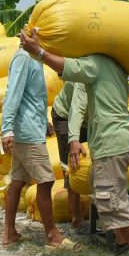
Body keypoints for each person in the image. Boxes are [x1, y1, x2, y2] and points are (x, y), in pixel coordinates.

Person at [19, 29, 129, 256]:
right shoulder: (115, 65)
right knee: (107, 195)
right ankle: (124, 244)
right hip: (116, 140)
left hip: (111, 142)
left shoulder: (97, 63)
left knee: (114, 200)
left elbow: (65, 66)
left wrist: (38, 51)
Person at [1, 46, 70, 249]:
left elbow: (32, 98)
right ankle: (52, 235)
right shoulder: (24, 59)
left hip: (30, 127)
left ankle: (10, 232)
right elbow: (12, 94)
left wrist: (44, 121)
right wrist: (7, 130)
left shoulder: (33, 58)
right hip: (27, 132)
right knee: (46, 180)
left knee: (18, 180)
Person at [50, 81, 89, 229]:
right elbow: (76, 110)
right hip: (66, 115)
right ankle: (76, 217)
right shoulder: (83, 77)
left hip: (87, 119)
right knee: (73, 162)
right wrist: (74, 140)